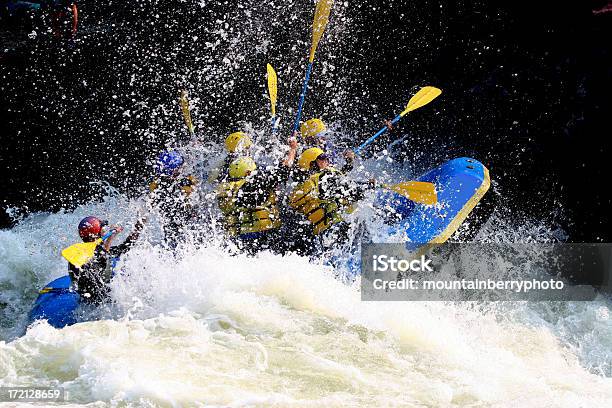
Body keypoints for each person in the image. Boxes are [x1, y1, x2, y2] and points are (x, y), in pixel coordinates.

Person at [217, 137, 298, 255]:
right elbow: (284, 169)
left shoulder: (226, 189)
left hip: (237, 239)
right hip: (262, 235)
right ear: (248, 173)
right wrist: (293, 149)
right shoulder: (254, 183)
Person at [288, 147, 375, 255]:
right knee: (360, 224)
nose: (327, 160)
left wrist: (349, 163)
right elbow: (350, 191)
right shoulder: (325, 176)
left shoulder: (305, 185)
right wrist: (368, 187)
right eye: (322, 157)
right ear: (313, 163)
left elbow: (337, 182)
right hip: (338, 230)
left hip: (323, 236)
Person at [68, 216, 144, 304]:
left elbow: (102, 253)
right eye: (102, 230)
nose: (104, 232)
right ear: (97, 234)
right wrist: (140, 225)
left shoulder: (77, 253)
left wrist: (111, 237)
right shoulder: (99, 254)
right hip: (104, 302)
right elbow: (127, 245)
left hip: (85, 301)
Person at [148, 150, 199, 248]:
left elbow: (151, 202)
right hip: (184, 220)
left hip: (170, 221)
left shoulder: (156, 184)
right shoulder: (184, 182)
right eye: (180, 168)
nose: (182, 169)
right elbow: (193, 192)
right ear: (173, 171)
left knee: (172, 237)